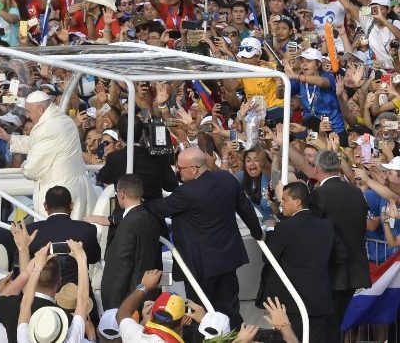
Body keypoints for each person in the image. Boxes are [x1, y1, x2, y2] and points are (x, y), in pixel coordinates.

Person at [144, 146, 263, 327]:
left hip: (200, 266)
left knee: (201, 313)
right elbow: (246, 209)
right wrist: (257, 233)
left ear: (194, 169)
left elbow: (157, 208)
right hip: (226, 260)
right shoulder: (227, 179)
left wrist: (132, 207)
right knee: (229, 309)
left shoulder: (187, 192)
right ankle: (236, 336)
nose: (178, 171)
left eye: (180, 168)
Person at [0, 91, 97, 218]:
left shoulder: (47, 128)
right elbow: (36, 143)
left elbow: (32, 169)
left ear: (40, 109)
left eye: (29, 111)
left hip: (60, 194)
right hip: (75, 187)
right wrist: (8, 137)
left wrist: (24, 166)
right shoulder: (64, 119)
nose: (28, 116)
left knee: (59, 230)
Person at [265, 181, 346, 343]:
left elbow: (268, 258)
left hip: (293, 302)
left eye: (284, 200)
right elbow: (342, 256)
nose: (282, 204)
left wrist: (270, 230)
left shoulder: (284, 228)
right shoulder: (326, 225)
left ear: (297, 202)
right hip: (320, 299)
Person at [307, 149, 372, 338]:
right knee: (337, 323)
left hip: (329, 272)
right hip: (353, 271)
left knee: (328, 327)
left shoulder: (318, 195)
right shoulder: (356, 193)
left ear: (317, 168)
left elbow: (314, 233)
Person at [88, 174, 162, 311]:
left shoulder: (127, 224)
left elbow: (121, 267)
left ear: (121, 194)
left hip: (128, 300)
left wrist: (112, 305)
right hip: (148, 295)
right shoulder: (151, 219)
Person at [25, 186, 99, 285]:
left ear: (45, 206)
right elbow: (94, 258)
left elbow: (23, 263)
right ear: (71, 205)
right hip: (78, 290)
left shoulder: (30, 230)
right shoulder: (87, 229)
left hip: (40, 291)